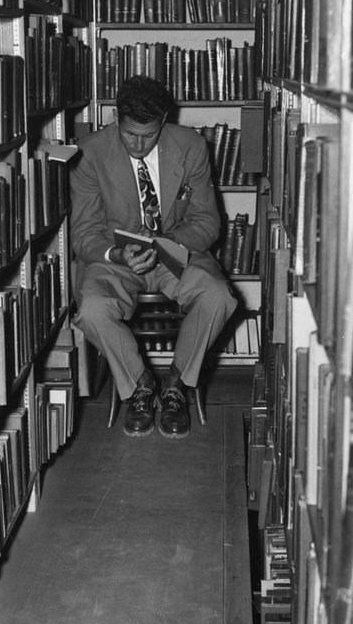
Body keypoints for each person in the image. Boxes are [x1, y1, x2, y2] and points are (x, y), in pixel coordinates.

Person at [70, 75, 236, 438]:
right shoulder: (90, 153)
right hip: (116, 261)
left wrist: (165, 240)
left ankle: (175, 384)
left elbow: (208, 221)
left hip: (176, 252)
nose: (139, 145)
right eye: (130, 134)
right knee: (92, 311)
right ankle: (141, 385)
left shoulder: (190, 146)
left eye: (148, 135)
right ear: (117, 118)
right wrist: (117, 252)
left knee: (219, 296)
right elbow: (83, 234)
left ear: (164, 119)